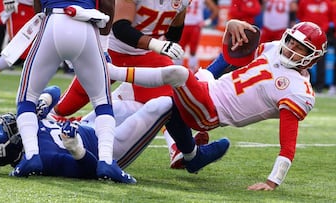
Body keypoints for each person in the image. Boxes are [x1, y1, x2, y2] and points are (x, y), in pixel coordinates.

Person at [107, 20, 328, 190]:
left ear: (313, 57)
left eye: (300, 48)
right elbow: (234, 57)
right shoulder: (272, 49)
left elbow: (288, 145)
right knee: (160, 103)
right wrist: (231, 27)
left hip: (212, 111)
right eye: (290, 41)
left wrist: (273, 181)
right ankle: (191, 155)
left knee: (178, 74)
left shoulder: (299, 91)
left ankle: (111, 71)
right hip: (208, 91)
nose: (290, 48)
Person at [49, 0, 212, 169]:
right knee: (65, 107)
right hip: (111, 51)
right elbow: (120, 28)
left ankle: (179, 148)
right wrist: (156, 44)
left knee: (172, 98)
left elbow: (174, 34)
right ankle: (43, 121)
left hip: (147, 55)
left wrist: (165, 44)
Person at [12, 0, 136, 184]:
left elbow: (37, 4)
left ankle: (31, 156)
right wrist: (103, 46)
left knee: (27, 99)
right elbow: (108, 5)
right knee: (102, 101)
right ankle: (106, 161)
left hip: (53, 20)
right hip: (86, 25)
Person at [0, 86, 173, 180]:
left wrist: (43, 102)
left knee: (130, 91)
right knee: (162, 104)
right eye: (11, 127)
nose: (14, 121)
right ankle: (189, 152)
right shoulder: (43, 157)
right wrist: (76, 149)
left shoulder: (29, 128)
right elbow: (90, 170)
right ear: (10, 144)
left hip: (90, 126)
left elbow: (55, 90)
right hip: (109, 149)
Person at [0, 0, 35, 97]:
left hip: (40, 6)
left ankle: (32, 93)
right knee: (20, 50)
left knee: (35, 49)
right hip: (19, 5)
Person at [297, 0, 334, 93]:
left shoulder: (328, 3)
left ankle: (319, 86)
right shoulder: (304, 2)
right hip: (306, 37)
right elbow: (300, 16)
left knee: (321, 61)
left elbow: (332, 19)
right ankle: (302, 82)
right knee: (301, 60)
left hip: (322, 36)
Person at [174, 0, 219, 72]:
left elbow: (215, 10)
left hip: (195, 25)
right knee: (180, 49)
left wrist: (207, 21)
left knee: (193, 50)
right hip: (183, 24)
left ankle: (192, 72)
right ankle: (177, 70)